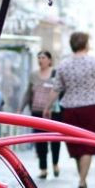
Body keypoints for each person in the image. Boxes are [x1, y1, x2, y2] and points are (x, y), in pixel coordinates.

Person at [45, 32, 95, 188]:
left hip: (70, 110)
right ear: (85, 44)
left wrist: (47, 107)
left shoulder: (64, 65)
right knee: (86, 147)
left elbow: (56, 88)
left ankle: (83, 180)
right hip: (91, 108)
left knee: (77, 146)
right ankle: (82, 181)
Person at [20, 51, 62, 179]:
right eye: (38, 58)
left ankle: (55, 164)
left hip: (53, 112)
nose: (40, 60)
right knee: (40, 140)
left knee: (55, 140)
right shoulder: (33, 75)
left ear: (49, 60)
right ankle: (43, 169)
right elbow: (28, 93)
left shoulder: (56, 73)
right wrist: (20, 108)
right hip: (37, 112)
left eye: (43, 57)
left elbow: (60, 91)